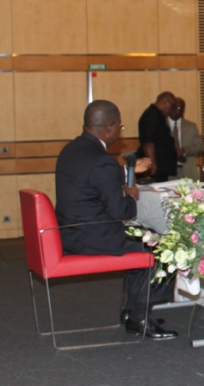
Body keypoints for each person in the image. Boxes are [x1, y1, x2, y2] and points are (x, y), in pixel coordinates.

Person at [56, 100, 176, 339]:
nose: (119, 132)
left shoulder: (71, 150)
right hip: (92, 236)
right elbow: (122, 212)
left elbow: (93, 182)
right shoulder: (102, 160)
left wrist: (121, 179)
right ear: (109, 128)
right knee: (163, 246)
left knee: (144, 238)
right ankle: (140, 318)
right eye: (119, 128)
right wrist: (130, 194)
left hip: (70, 231)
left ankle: (133, 312)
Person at [135, 91, 177, 182]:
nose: (172, 111)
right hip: (155, 167)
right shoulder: (152, 116)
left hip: (160, 166)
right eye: (172, 106)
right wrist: (153, 165)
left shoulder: (157, 115)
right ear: (165, 101)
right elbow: (148, 143)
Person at [168, 97, 204, 181]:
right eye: (173, 107)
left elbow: (201, 148)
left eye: (178, 108)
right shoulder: (162, 125)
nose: (174, 110)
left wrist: (184, 150)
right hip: (169, 172)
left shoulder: (191, 126)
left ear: (183, 110)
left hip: (188, 170)